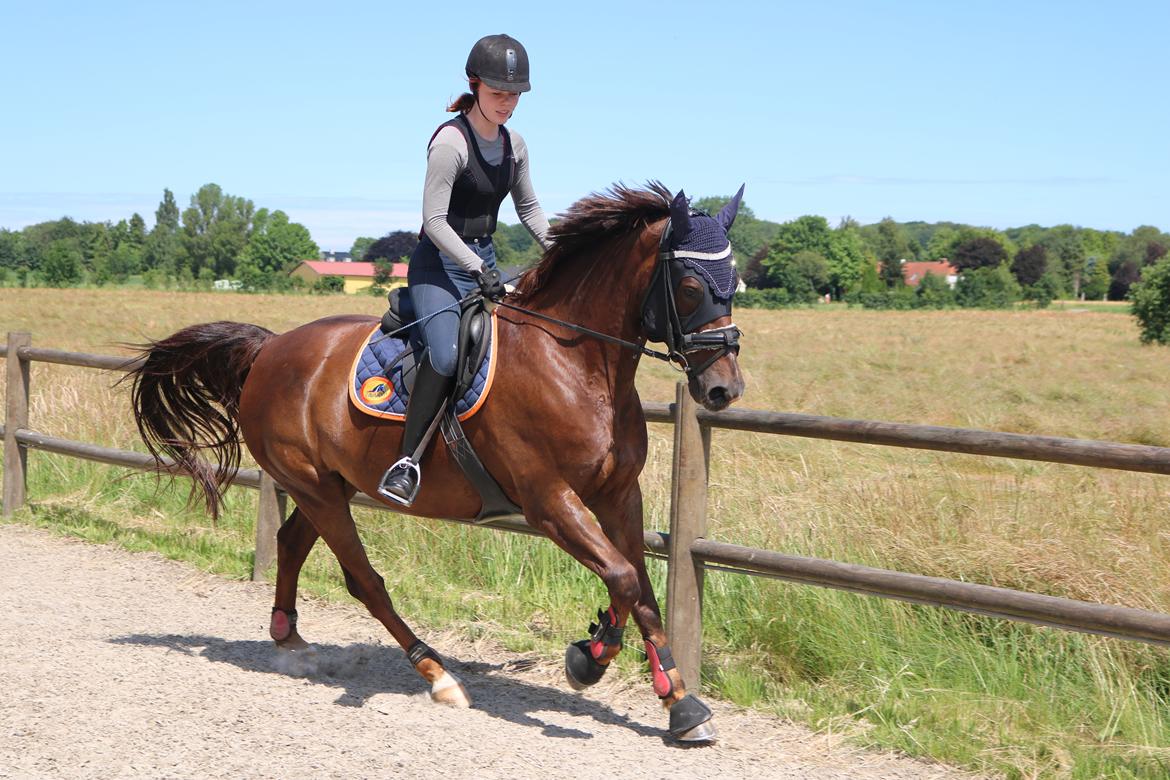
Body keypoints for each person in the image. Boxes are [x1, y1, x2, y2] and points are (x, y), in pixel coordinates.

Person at [378, 33, 553, 506]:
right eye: (498, 93)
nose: (507, 103)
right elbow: (434, 221)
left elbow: (529, 209)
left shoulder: (516, 145)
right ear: (474, 85)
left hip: (485, 265)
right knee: (446, 357)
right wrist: (477, 267)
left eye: (515, 95)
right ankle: (407, 462)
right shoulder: (450, 143)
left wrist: (564, 252)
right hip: (439, 267)